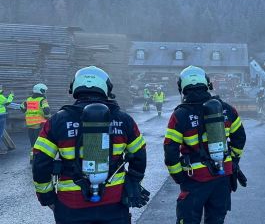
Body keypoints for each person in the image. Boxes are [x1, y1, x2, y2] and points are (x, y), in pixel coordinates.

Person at [31, 66, 149, 224]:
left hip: (71, 205)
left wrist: (47, 198)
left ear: (75, 88)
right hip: (114, 203)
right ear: (105, 88)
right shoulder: (124, 119)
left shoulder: (58, 121)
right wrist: (133, 182)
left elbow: (40, 162)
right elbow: (140, 155)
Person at [164, 66, 247, 224]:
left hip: (195, 178)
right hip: (223, 175)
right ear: (207, 84)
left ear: (182, 88)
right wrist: (234, 161)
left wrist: (179, 177)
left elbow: (170, 149)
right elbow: (240, 138)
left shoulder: (180, 115)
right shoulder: (226, 109)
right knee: (216, 220)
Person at [21, 83, 50, 162]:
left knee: (33, 144)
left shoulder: (28, 99)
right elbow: (46, 110)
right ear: (40, 91)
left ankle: (32, 158)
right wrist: (47, 117)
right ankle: (40, 159)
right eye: (44, 91)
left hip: (30, 126)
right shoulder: (42, 100)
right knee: (41, 143)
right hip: (40, 125)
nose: (44, 92)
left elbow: (22, 107)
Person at [0, 84, 14, 155]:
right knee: (0, 133)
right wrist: (11, 95)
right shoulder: (0, 96)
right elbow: (8, 102)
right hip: (1, 115)